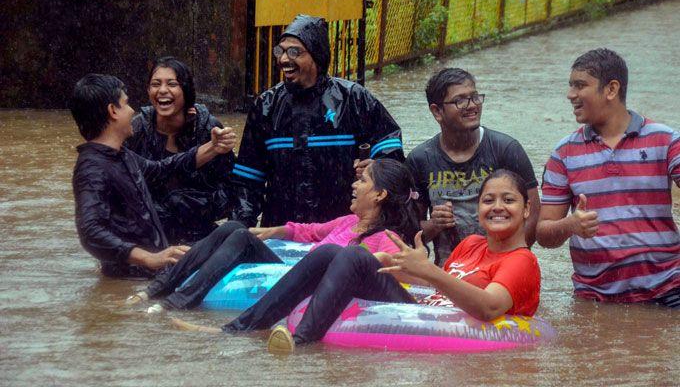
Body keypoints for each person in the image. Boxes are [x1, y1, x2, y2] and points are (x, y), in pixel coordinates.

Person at [173, 170, 541, 355]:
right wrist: (410, 270)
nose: (496, 207)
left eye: (508, 200)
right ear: (477, 209)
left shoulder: (521, 260)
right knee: (334, 252)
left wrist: (427, 271)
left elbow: (491, 306)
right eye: (488, 200)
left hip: (446, 325)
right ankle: (240, 328)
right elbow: (440, 286)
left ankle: (300, 342)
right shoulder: (473, 244)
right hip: (420, 309)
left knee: (352, 254)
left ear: (526, 210)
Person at [140, 158, 420, 312]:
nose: (354, 184)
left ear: (380, 194)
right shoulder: (347, 221)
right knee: (233, 228)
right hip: (293, 273)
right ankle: (158, 288)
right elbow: (307, 232)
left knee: (238, 238)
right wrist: (270, 230)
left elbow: (405, 278)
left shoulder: (387, 239)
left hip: (315, 286)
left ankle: (178, 303)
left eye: (362, 181)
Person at [231, 14, 405, 228]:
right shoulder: (266, 106)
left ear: (317, 55)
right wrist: (239, 232)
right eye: (281, 50)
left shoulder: (354, 99)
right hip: (282, 231)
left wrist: (377, 165)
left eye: (294, 51)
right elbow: (247, 182)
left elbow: (391, 150)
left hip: (340, 231)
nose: (284, 59)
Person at [537, 48, 680, 307]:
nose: (571, 95)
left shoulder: (666, 140)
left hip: (669, 291)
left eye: (580, 86)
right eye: (571, 86)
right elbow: (543, 233)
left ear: (611, 89)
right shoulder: (563, 154)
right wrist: (571, 225)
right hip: (595, 298)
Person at [70, 73, 237, 279]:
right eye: (126, 103)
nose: (133, 111)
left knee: (232, 233)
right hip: (129, 280)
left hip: (150, 273)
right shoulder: (92, 168)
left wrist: (211, 147)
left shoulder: (121, 155)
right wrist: (148, 258)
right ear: (113, 111)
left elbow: (161, 170)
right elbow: (91, 232)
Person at [406, 68, 540, 266]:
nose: (472, 106)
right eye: (460, 100)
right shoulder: (420, 159)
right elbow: (408, 232)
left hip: (501, 269)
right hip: (447, 273)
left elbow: (533, 214)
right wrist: (434, 225)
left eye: (475, 97)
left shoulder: (505, 150)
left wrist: (507, 261)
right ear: (437, 112)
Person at [124, 57, 236, 244]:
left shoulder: (208, 128)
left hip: (199, 230)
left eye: (172, 84)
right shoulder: (136, 129)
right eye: (155, 84)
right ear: (148, 90)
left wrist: (196, 206)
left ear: (186, 90)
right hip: (150, 233)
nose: (162, 91)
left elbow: (233, 189)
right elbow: (123, 189)